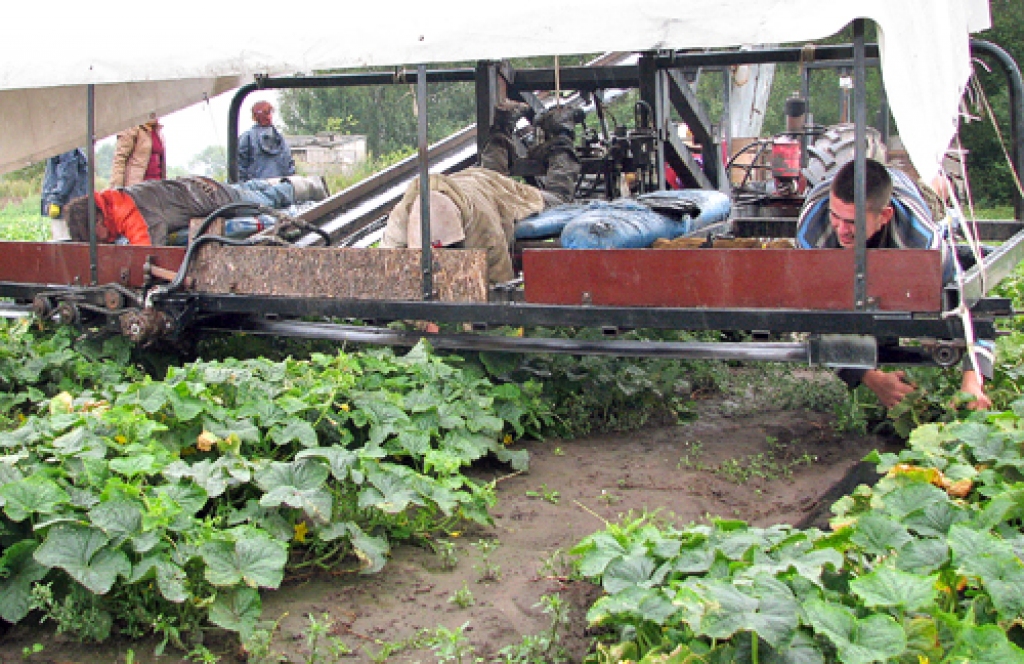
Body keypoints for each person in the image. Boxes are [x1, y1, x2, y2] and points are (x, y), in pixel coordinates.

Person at [795, 158, 991, 410]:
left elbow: (969, 306)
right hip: (833, 186)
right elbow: (812, 318)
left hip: (905, 189)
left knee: (932, 200)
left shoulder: (920, 239)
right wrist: (872, 378)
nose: (841, 229)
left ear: (885, 216)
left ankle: (933, 185)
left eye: (854, 222)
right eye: (836, 216)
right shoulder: (813, 231)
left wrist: (972, 382)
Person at [381, 101, 581, 283]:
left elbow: (498, 286)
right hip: (470, 182)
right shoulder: (401, 219)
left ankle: (561, 135)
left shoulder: (483, 229)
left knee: (558, 199)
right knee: (488, 171)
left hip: (495, 191)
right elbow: (385, 271)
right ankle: (502, 125)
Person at [63, 175, 328, 246]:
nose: (101, 240)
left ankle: (305, 186)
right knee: (250, 190)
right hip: (192, 188)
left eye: (95, 236)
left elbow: (145, 254)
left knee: (262, 199)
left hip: (208, 198)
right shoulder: (114, 203)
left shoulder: (133, 215)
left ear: (98, 219)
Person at [238, 101, 296, 182]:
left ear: (254, 116)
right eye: (267, 113)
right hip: (280, 190)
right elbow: (290, 168)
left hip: (256, 191)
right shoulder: (282, 140)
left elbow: (240, 169)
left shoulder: (246, 138)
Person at [40, 148, 89, 240]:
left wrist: (55, 200)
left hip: (65, 207)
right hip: (68, 206)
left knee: (64, 247)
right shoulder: (67, 146)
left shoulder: (65, 146)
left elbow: (68, 174)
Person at [111, 114, 166, 188]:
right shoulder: (131, 128)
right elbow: (120, 159)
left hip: (157, 187)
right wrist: (117, 188)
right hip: (137, 188)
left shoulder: (157, 131)